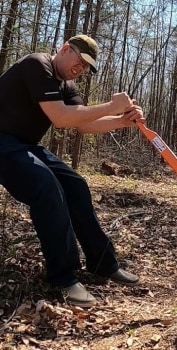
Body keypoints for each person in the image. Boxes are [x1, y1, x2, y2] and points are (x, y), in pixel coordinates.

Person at [0, 34, 145, 307]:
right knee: (46, 187)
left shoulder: (64, 84)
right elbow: (62, 118)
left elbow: (84, 123)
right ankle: (63, 277)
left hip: (25, 145)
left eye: (85, 68)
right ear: (65, 49)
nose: (79, 70)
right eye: (78, 63)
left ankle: (103, 263)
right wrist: (113, 105)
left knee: (75, 185)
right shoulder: (37, 65)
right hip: (2, 143)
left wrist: (122, 121)